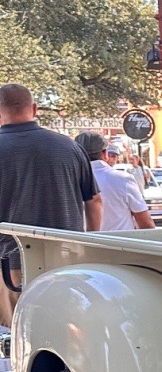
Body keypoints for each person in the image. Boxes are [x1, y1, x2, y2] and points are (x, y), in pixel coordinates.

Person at [0, 83, 102, 328]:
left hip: (10, 265)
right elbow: (94, 201)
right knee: (66, 329)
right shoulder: (70, 147)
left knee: (17, 332)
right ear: (34, 109)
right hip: (66, 259)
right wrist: (89, 241)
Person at [75, 133, 154, 233]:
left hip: (80, 242)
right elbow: (146, 224)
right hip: (119, 242)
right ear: (105, 154)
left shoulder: (68, 181)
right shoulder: (123, 179)